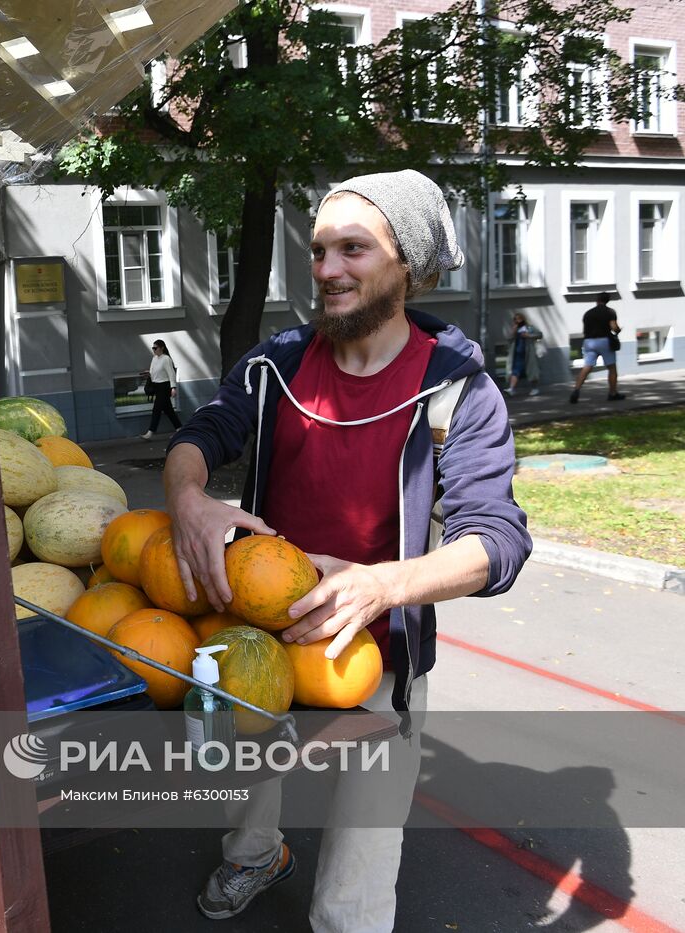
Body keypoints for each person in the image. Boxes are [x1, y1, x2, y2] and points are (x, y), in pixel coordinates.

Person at [163, 170, 531, 931]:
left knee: (356, 879)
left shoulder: (458, 391)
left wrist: (381, 585)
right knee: (252, 776)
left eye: (354, 248)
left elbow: (496, 542)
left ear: (411, 265)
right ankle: (256, 852)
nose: (327, 269)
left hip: (376, 651)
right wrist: (188, 496)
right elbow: (201, 436)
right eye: (320, 249)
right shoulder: (279, 365)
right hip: (264, 625)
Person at [570, 292, 627, 403]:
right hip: (604, 341)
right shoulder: (610, 312)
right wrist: (618, 330)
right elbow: (613, 327)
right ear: (607, 301)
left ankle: (576, 390)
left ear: (597, 300)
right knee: (612, 368)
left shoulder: (588, 313)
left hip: (588, 341)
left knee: (587, 367)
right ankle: (612, 393)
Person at [141, 338, 182, 440]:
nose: (154, 350)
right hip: (157, 386)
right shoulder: (154, 358)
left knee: (156, 409)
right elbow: (152, 371)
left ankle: (150, 432)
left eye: (155, 348)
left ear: (162, 348)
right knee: (169, 411)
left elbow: (171, 374)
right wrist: (148, 374)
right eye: (153, 348)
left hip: (164, 386)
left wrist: (173, 387)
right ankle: (180, 430)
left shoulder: (166, 359)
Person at [505, 311, 542, 396]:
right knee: (515, 371)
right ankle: (511, 389)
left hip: (529, 353)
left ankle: (535, 388)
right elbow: (509, 339)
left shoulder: (529, 328)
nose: (517, 321)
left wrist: (529, 336)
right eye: (515, 319)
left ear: (523, 319)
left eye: (519, 319)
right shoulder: (515, 328)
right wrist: (513, 332)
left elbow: (540, 335)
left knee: (532, 371)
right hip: (517, 354)